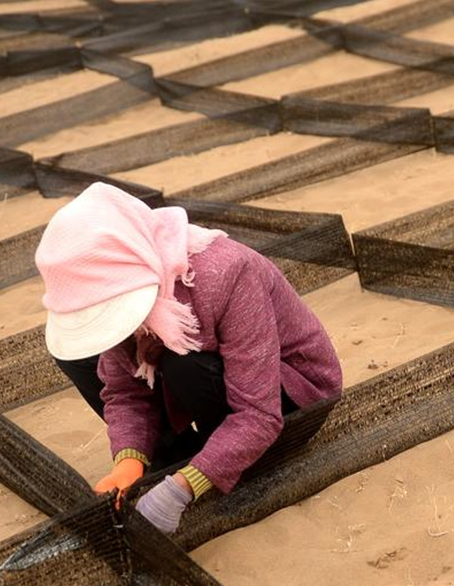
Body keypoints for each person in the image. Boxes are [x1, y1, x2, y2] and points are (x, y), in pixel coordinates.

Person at [35, 183, 343, 535]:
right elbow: (124, 392)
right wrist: (129, 459)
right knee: (81, 359)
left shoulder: (226, 273)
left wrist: (184, 487)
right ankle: (173, 459)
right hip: (217, 385)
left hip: (290, 401)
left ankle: (209, 468)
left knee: (183, 361)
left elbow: (259, 413)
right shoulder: (120, 277)